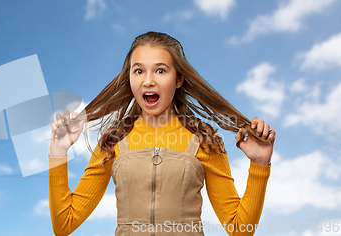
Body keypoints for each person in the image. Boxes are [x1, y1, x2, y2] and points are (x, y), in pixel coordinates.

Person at [47, 31, 276, 236]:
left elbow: (239, 229)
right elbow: (64, 224)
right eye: (138, 71)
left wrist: (260, 164)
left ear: (178, 79)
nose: (148, 81)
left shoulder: (205, 141)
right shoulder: (112, 141)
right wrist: (58, 152)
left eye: (160, 70)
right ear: (130, 78)